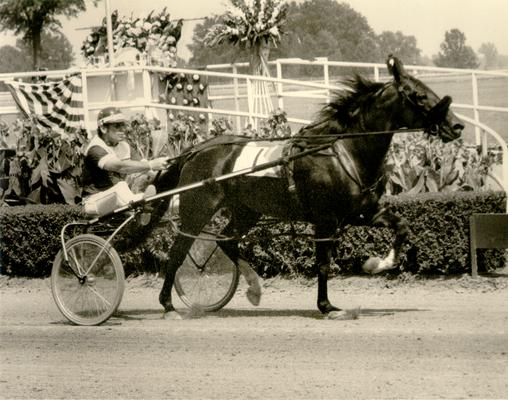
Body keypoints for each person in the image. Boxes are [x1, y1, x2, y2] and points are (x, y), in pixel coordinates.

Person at [82, 107, 168, 216]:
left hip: (120, 199)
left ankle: (148, 206)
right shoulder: (95, 148)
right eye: (117, 126)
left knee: (160, 194)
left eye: (123, 125)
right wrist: (151, 165)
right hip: (93, 201)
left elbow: (146, 168)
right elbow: (119, 167)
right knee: (121, 187)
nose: (123, 129)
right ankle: (145, 207)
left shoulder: (124, 145)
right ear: (103, 128)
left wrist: (166, 167)